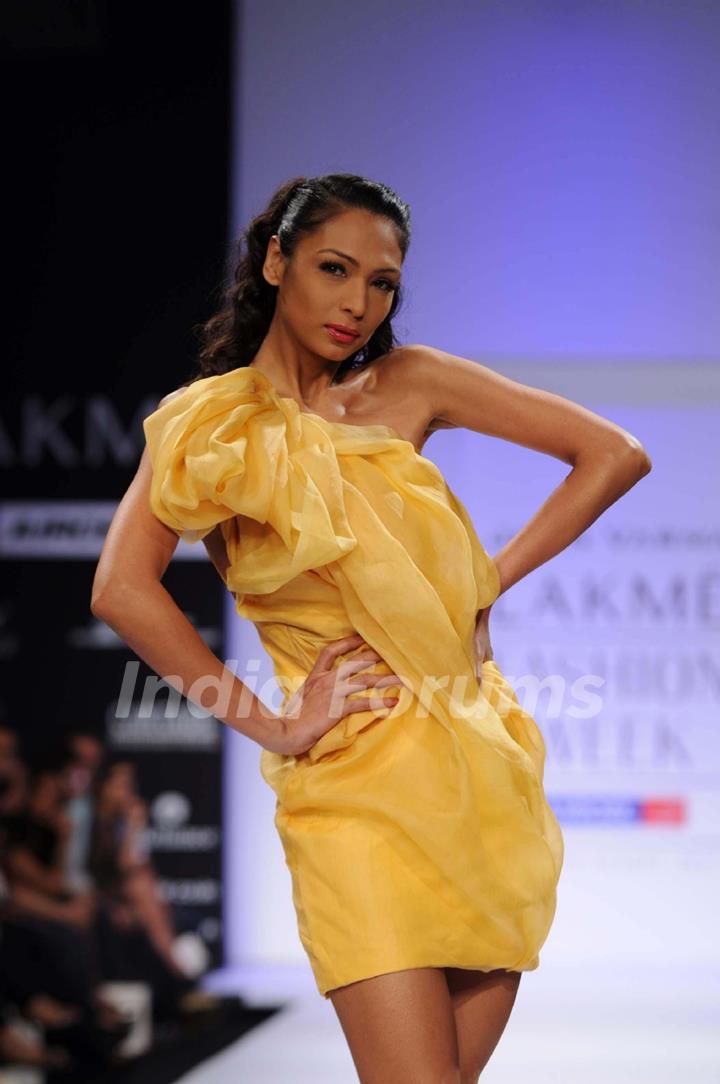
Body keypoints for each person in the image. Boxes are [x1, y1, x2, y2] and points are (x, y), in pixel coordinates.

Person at [90, 173, 652, 1083]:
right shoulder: (210, 424)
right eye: (334, 268)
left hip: (478, 768)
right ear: (277, 262)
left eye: (382, 282)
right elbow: (121, 588)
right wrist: (271, 723)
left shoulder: (412, 383)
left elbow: (614, 454)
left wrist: (480, 586)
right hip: (349, 782)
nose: (358, 302)